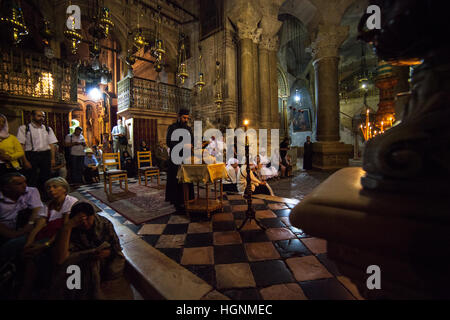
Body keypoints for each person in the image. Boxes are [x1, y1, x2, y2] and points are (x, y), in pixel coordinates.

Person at [18, 177, 78, 298]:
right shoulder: (47, 205)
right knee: (16, 246)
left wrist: (46, 244)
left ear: (64, 189)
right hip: (44, 235)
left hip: (58, 237)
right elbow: (38, 227)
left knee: (34, 256)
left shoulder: (70, 201)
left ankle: (28, 289)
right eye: (49, 188)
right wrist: (28, 243)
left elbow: (65, 227)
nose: (51, 190)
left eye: (55, 187)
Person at [52, 202, 125, 299]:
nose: (85, 223)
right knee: (73, 269)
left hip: (103, 261)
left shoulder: (104, 224)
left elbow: (116, 248)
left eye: (88, 219)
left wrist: (107, 252)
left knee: (92, 266)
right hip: (81, 261)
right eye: (80, 220)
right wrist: (67, 228)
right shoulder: (71, 228)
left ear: (93, 215)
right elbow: (61, 258)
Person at [0, 173, 43, 265]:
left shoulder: (31, 191)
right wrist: (19, 233)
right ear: (6, 187)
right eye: (19, 184)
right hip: (7, 233)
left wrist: (29, 224)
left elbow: (37, 210)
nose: (25, 186)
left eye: (25, 182)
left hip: (26, 229)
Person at [16, 110, 58, 191]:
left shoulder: (47, 129)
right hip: (31, 155)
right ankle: (31, 197)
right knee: (31, 177)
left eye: (43, 116)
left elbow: (52, 145)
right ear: (32, 116)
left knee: (46, 177)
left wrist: (52, 158)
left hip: (45, 155)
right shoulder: (24, 128)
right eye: (39, 116)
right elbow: (21, 146)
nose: (41, 118)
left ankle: (45, 196)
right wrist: (24, 161)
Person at [165, 109, 194, 211]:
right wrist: (182, 145)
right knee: (176, 179)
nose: (186, 120)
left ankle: (188, 198)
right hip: (175, 158)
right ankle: (177, 201)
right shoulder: (172, 128)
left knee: (187, 178)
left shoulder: (189, 129)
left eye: (187, 118)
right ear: (179, 117)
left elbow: (192, 141)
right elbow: (169, 142)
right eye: (184, 118)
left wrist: (191, 145)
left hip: (186, 157)